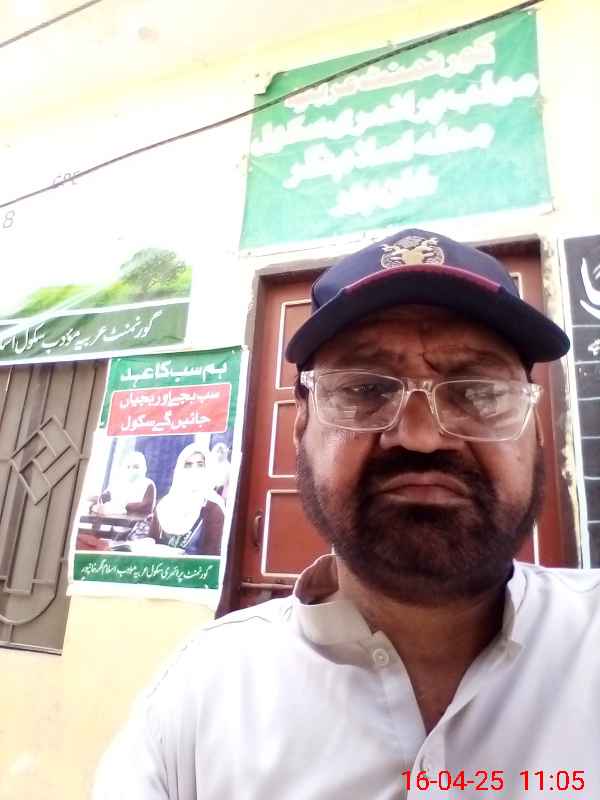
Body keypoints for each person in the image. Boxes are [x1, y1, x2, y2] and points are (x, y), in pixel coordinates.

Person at [93, 229, 600, 799]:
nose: (422, 437)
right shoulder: (199, 698)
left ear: (534, 429)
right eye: (364, 390)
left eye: (479, 392)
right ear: (300, 425)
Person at [149, 443, 225, 555]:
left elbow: (212, 556)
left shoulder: (213, 509)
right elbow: (151, 542)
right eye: (188, 465)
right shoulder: (164, 505)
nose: (194, 470)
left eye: (200, 465)